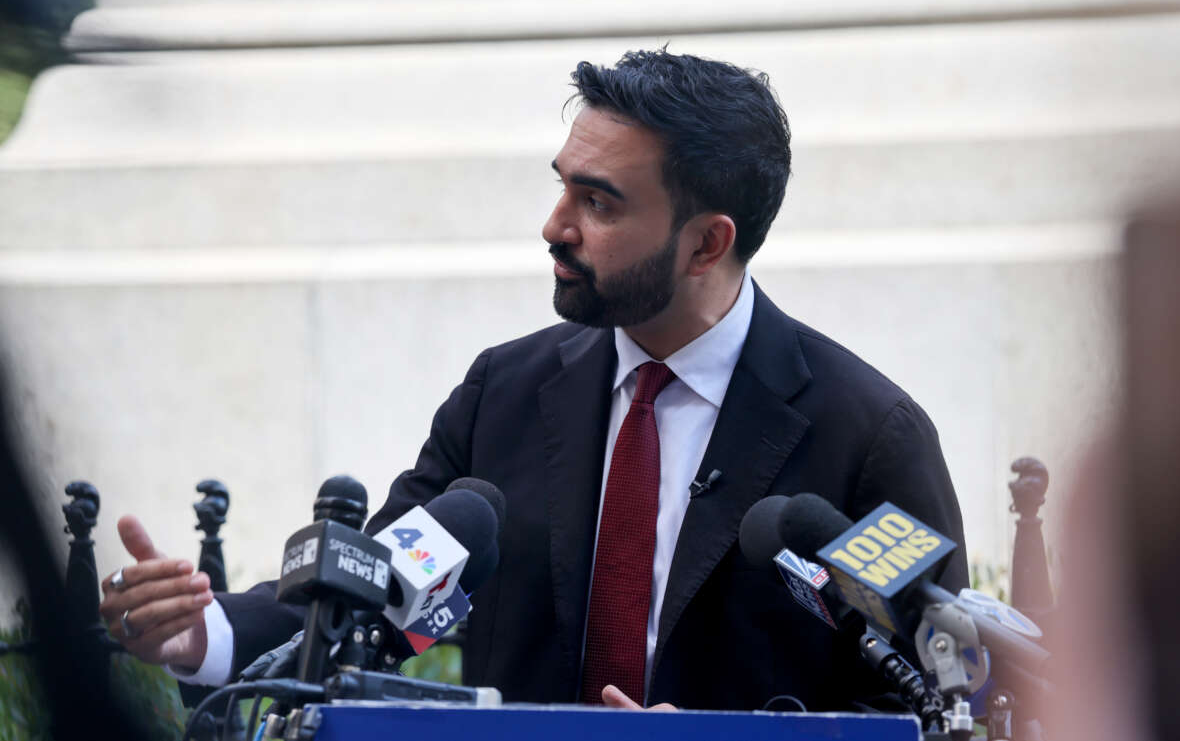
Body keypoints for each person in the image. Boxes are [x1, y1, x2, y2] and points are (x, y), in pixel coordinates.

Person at [97, 48, 968, 712]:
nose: (554, 226)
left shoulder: (867, 435)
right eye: (562, 188)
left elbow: (935, 699)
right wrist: (202, 633)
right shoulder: (504, 394)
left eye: (599, 202)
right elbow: (368, 599)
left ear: (707, 242)